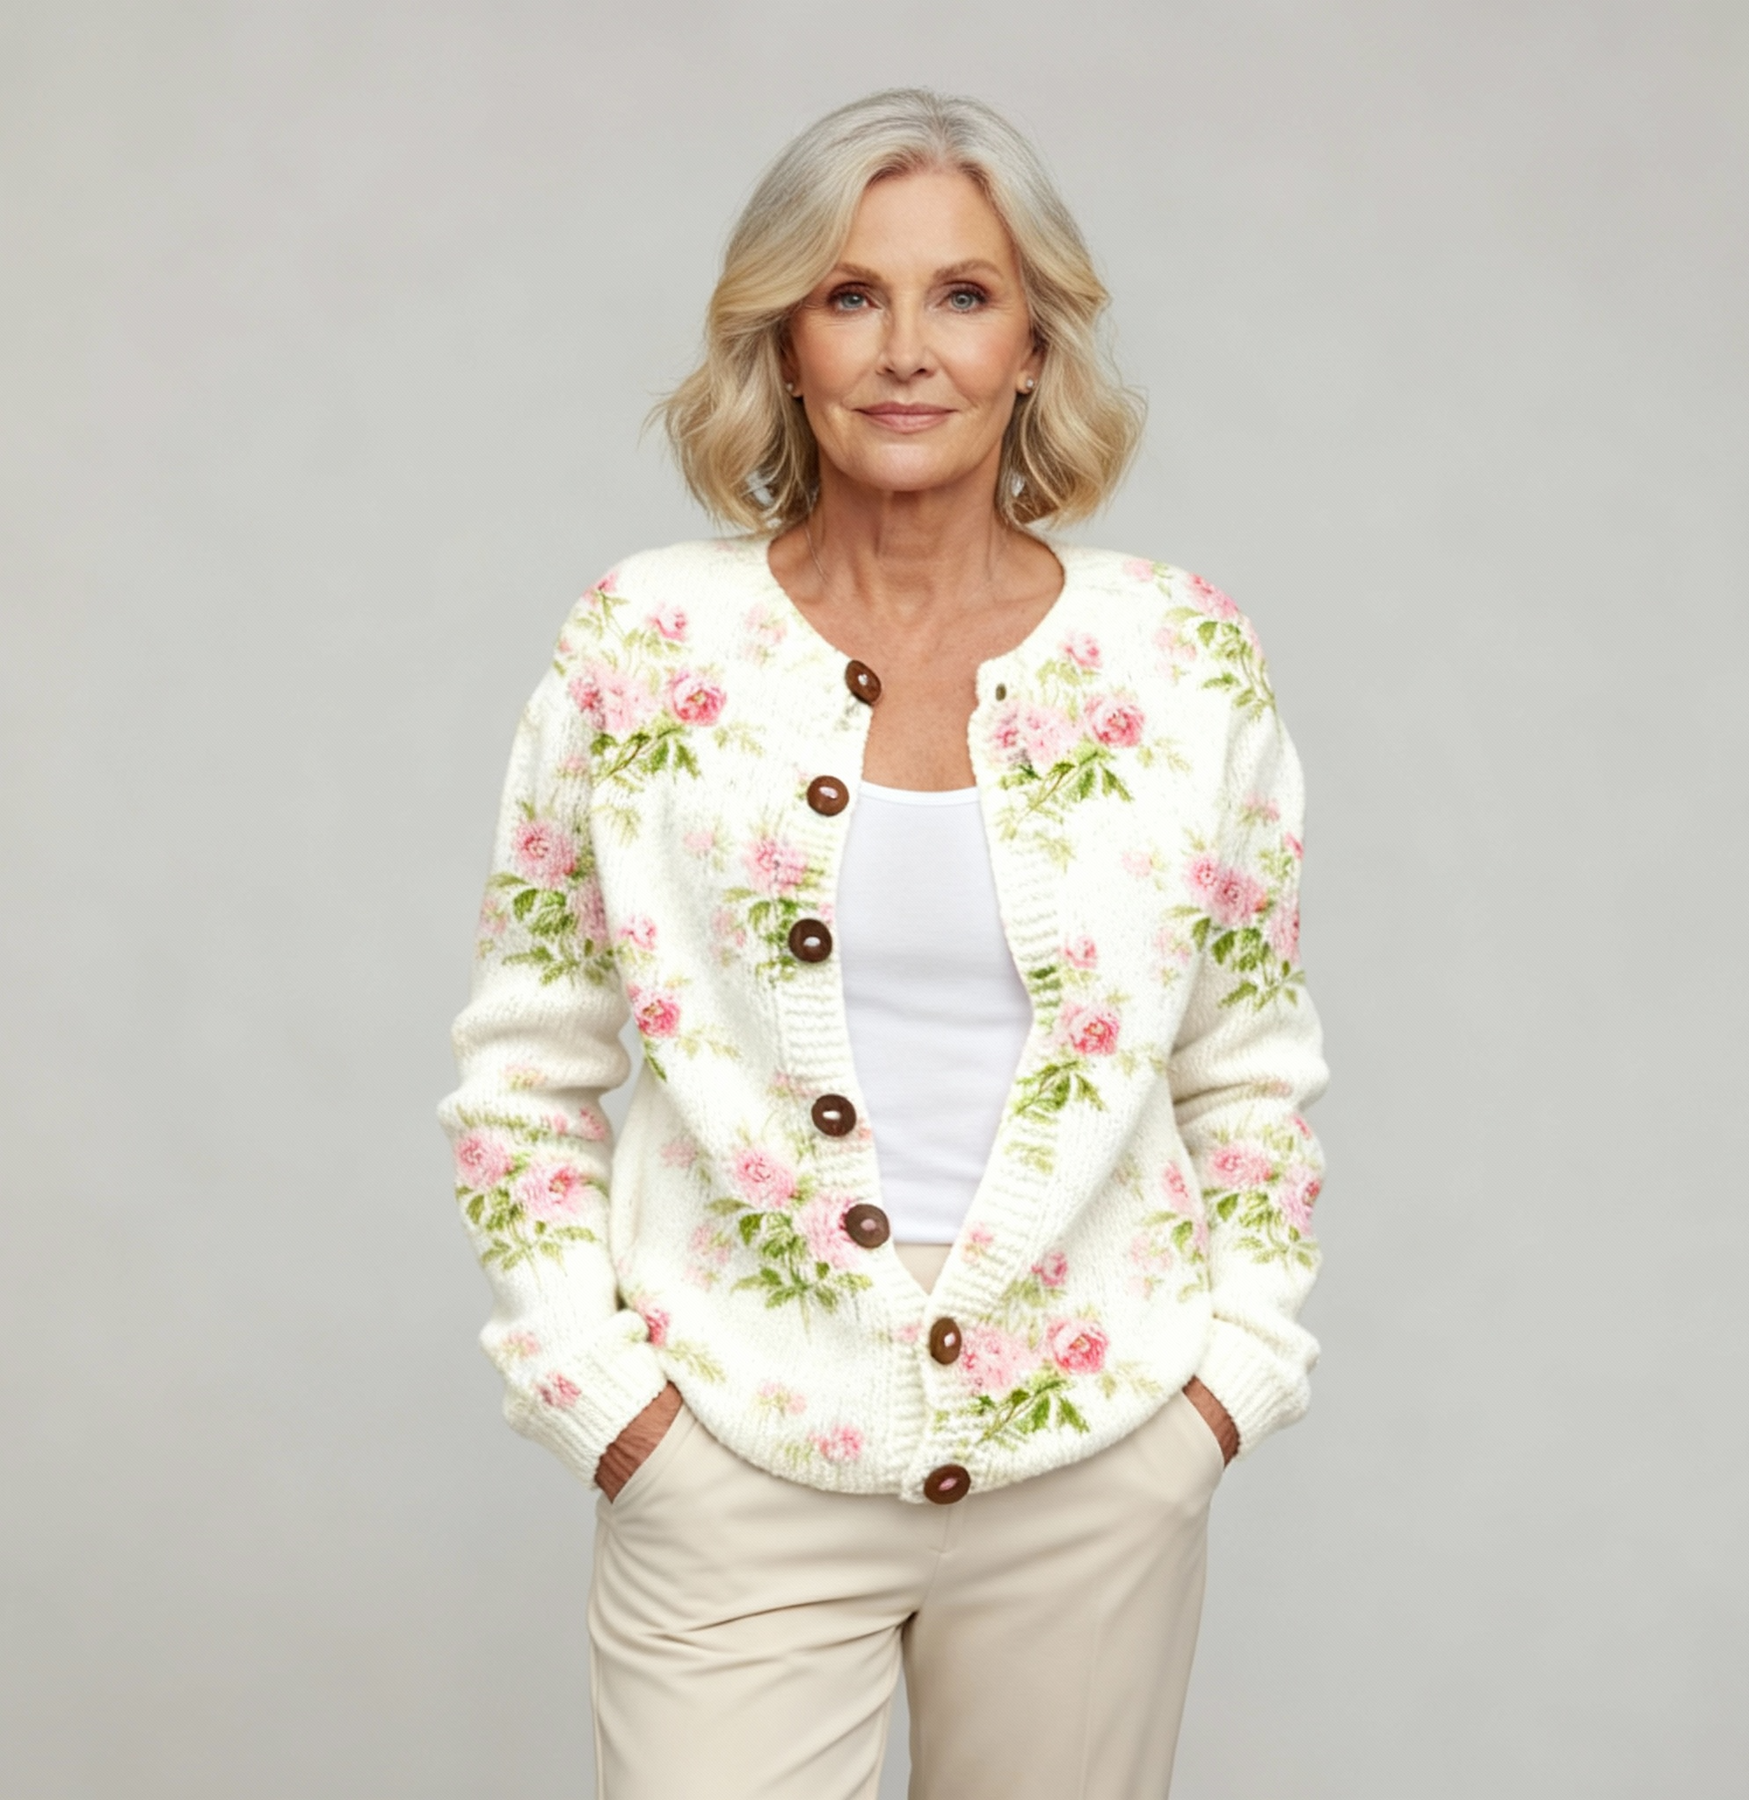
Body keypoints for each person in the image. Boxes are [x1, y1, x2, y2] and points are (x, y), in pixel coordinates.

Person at [440, 87, 1328, 1800]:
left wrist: (1225, 1389)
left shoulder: (1180, 661)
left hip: (1096, 1466)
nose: (906, 349)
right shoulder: (644, 644)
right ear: (784, 342)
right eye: (851, 295)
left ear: (1034, 344)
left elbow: (1248, 1067)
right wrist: (597, 1396)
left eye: (962, 295)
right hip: (734, 1456)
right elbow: (526, 1067)